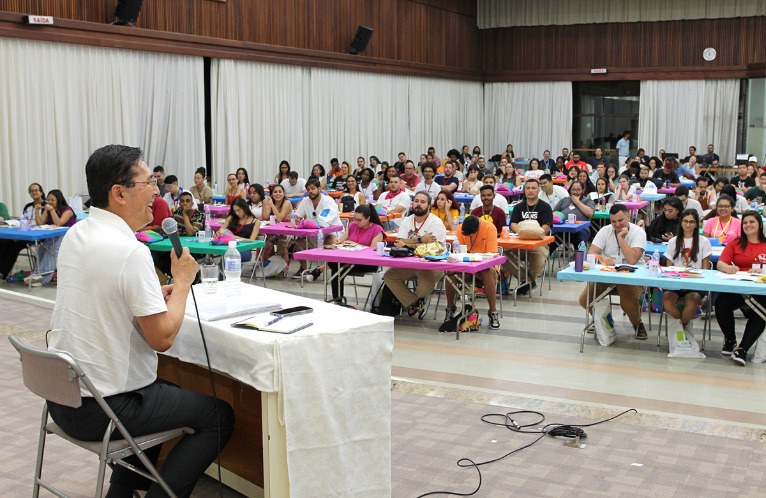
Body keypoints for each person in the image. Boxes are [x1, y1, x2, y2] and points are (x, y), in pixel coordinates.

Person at [46, 144, 234, 497]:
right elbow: (162, 338)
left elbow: (104, 294)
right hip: (104, 407)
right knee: (219, 417)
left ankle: (120, 493)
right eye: (148, 183)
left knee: (165, 393)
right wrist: (180, 283)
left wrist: (151, 294)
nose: (157, 192)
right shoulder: (130, 251)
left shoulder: (77, 234)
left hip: (65, 397)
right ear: (118, 192)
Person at [579, 204, 648, 340]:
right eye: (613, 221)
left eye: (620, 220)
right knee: (585, 300)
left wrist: (621, 238)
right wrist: (602, 257)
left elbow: (632, 259)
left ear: (629, 217)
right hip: (608, 275)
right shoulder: (605, 230)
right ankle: (605, 320)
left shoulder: (638, 233)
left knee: (627, 304)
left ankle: (637, 323)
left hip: (632, 276)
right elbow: (591, 253)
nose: (616, 225)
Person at [383, 192, 446, 318]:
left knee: (423, 286)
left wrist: (407, 244)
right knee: (389, 276)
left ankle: (420, 299)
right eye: (416, 201)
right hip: (409, 262)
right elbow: (399, 243)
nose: (418, 204)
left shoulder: (436, 223)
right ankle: (415, 302)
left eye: (422, 202)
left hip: (432, 264)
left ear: (428, 206)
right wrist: (421, 240)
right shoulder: (407, 221)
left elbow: (433, 249)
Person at [715, 211, 766, 365]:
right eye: (745, 222)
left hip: (760, 289)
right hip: (738, 286)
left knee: (762, 312)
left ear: (760, 224)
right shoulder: (735, 243)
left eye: (752, 222)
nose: (748, 225)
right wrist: (728, 268)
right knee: (721, 304)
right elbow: (720, 263)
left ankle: (742, 350)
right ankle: (730, 340)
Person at [444, 215, 500, 328]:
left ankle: (493, 312)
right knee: (450, 272)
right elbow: (458, 252)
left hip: (485, 266)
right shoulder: (460, 228)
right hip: (466, 266)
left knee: (486, 271)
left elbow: (491, 256)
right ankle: (450, 308)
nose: (468, 236)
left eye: (470, 234)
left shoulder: (489, 228)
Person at [661, 209, 711, 328]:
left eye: (691, 222)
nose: (688, 225)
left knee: (692, 301)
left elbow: (705, 270)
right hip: (675, 282)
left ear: (697, 223)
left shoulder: (704, 242)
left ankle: (681, 329)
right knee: (667, 302)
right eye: (685, 221)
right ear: (681, 222)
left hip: (695, 283)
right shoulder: (673, 242)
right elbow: (669, 268)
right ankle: (683, 327)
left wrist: (689, 284)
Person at [504, 178, 552, 295]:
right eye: (528, 188)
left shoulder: (545, 207)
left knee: (539, 255)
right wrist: (522, 233)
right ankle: (527, 281)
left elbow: (546, 227)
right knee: (503, 256)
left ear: (538, 190)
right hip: (520, 242)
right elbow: (513, 224)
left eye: (533, 188)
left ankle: (528, 282)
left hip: (538, 244)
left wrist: (533, 234)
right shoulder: (519, 207)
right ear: (524, 190)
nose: (530, 191)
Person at [327, 204, 384, 302]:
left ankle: (338, 301)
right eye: (355, 219)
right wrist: (338, 241)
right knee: (335, 265)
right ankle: (337, 300)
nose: (356, 222)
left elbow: (373, 250)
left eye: (359, 220)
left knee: (336, 267)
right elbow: (342, 241)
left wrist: (356, 244)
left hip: (368, 263)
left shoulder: (377, 229)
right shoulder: (353, 225)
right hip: (350, 260)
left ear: (368, 218)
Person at [25, 189, 77, 286]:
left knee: (52, 250)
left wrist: (52, 210)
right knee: (41, 249)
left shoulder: (67, 210)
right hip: (54, 235)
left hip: (67, 236)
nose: (50, 202)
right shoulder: (47, 210)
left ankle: (44, 278)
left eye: (52, 200)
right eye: (48, 200)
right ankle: (36, 273)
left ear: (59, 200)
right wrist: (37, 211)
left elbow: (59, 223)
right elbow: (40, 223)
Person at [292, 178, 341, 278]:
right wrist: (298, 220)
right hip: (314, 235)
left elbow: (324, 222)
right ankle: (303, 269)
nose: (310, 191)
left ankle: (327, 269)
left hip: (331, 234)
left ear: (319, 189)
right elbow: (297, 218)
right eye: (308, 189)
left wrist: (308, 222)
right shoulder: (305, 201)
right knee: (299, 242)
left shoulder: (328, 201)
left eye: (313, 188)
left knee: (330, 241)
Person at [0, 184, 45, 280]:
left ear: (41, 192)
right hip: (25, 233)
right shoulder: (28, 206)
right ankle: (2, 270)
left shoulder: (45, 206)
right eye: (32, 191)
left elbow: (43, 223)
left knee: (16, 246)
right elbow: (24, 220)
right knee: (4, 242)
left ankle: (3, 273)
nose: (34, 192)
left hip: (38, 235)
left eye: (36, 190)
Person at [553, 180, 595, 247]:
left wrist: (577, 202)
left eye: (578, 190)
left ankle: (579, 256)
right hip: (563, 229)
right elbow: (554, 213)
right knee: (552, 240)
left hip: (581, 229)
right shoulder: (564, 200)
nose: (575, 192)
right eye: (573, 190)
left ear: (583, 190)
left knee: (581, 239)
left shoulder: (587, 200)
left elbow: (590, 213)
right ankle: (547, 256)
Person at [221, 198, 261, 263]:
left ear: (244, 208)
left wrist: (236, 238)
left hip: (245, 249)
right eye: (235, 211)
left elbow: (252, 241)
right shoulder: (231, 218)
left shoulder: (256, 222)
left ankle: (228, 272)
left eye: (238, 210)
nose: (237, 213)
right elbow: (221, 231)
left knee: (229, 258)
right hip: (230, 247)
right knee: (228, 257)